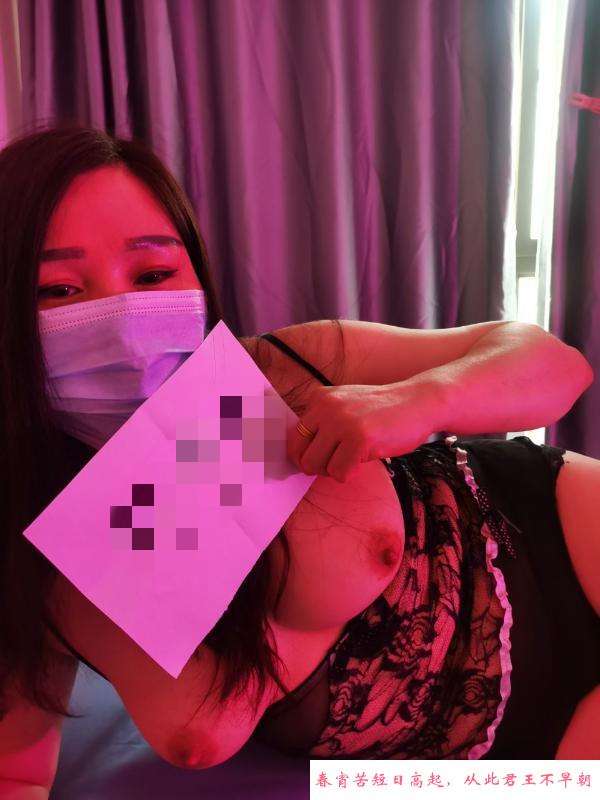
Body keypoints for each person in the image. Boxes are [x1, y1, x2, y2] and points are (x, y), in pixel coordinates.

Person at [0, 126, 596, 791]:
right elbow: (17, 774)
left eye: (154, 274)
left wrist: (421, 400)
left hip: (552, 539)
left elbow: (556, 365)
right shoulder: (36, 562)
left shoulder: (279, 371)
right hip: (478, 766)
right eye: (58, 290)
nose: (121, 318)